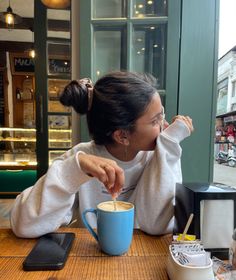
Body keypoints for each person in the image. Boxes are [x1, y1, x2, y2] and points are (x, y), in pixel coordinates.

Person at [10, 71, 193, 238]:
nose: (166, 126)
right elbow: (23, 225)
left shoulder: (158, 153)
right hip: (89, 259)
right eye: (156, 121)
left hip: (144, 260)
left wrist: (170, 144)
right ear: (122, 135)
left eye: (162, 115)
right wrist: (74, 169)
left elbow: (156, 225)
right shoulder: (82, 159)